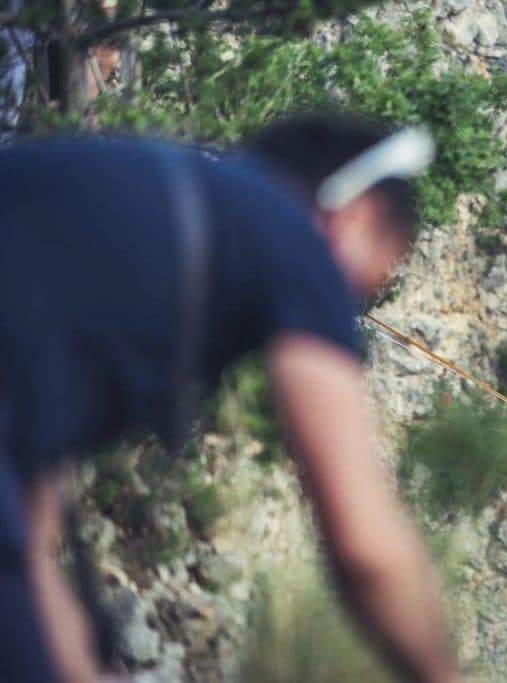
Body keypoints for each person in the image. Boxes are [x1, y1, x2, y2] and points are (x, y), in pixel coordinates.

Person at [0, 114, 462, 683]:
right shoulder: (297, 242)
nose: (357, 298)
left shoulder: (143, 209)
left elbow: (29, 531)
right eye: (381, 270)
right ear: (357, 217)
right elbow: (364, 546)